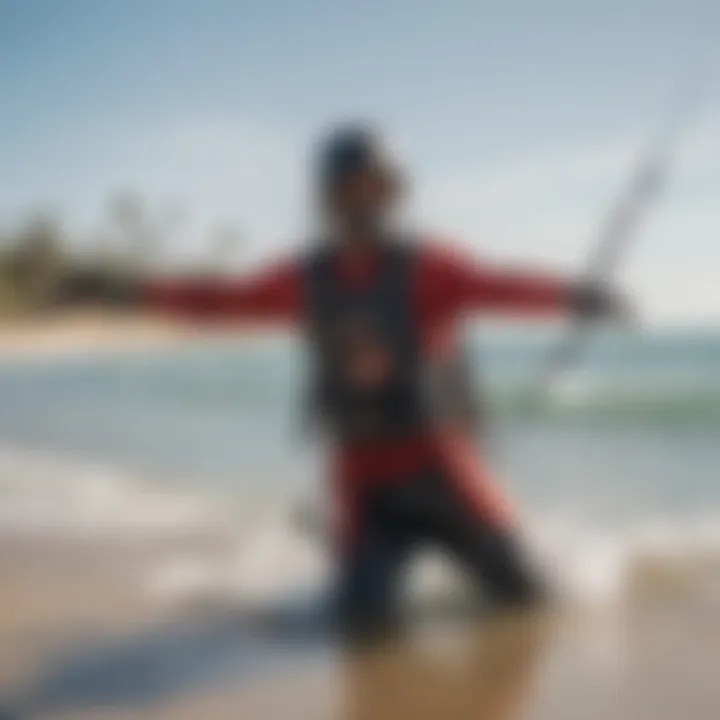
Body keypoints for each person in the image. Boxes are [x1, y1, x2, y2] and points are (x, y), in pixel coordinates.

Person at [71, 124, 622, 640]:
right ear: (327, 200)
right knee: (364, 627)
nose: (363, 204)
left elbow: (500, 285)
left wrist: (576, 295)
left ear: (394, 196)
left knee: (529, 602)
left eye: (375, 190)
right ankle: (356, 566)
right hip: (365, 486)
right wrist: (132, 292)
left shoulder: (430, 267)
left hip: (445, 473)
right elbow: (223, 300)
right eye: (349, 191)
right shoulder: (304, 281)